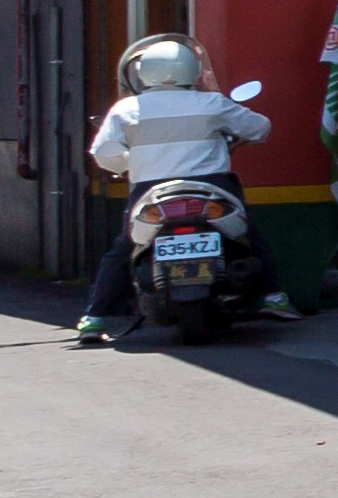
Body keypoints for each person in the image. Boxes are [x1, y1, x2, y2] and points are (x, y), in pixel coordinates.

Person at [76, 34, 270, 347]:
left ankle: (95, 317)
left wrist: (131, 162)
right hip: (211, 186)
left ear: (144, 71)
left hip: (150, 191)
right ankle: (274, 297)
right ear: (191, 69)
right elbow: (259, 128)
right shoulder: (211, 103)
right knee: (247, 235)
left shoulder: (127, 109)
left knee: (124, 248)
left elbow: (103, 153)